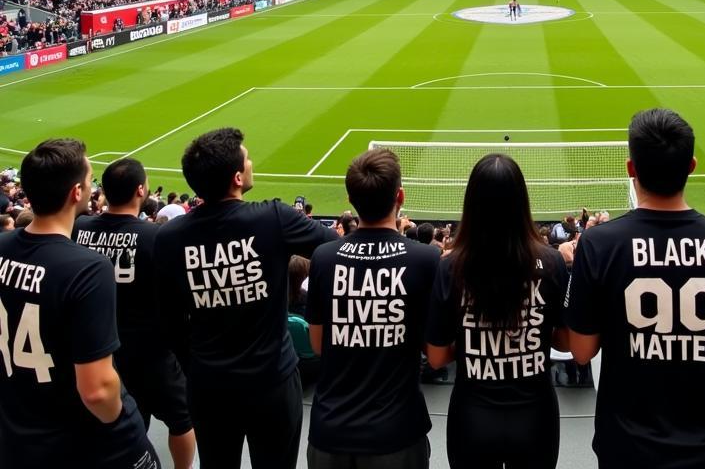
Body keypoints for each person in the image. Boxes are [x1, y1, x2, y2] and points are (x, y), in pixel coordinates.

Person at [565, 108, 705, 469]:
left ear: (630, 169)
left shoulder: (599, 244)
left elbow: (581, 351)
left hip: (626, 446)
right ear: (691, 166)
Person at [155, 127, 337, 469]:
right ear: (238, 177)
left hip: (209, 385)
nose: (252, 162)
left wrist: (196, 364)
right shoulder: (273, 218)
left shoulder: (169, 238)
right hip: (273, 381)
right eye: (248, 158)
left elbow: (169, 321)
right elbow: (334, 247)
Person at [0, 139, 159, 468]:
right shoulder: (86, 268)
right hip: (74, 443)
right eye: (89, 180)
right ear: (76, 193)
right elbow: (97, 391)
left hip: (15, 432)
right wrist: (126, 427)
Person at [426, 154, 569, 469]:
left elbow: (435, 357)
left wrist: (470, 344)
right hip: (536, 417)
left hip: (472, 417)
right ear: (522, 202)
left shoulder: (450, 266)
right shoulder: (552, 261)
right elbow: (565, 342)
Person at [306, 148, 440, 469]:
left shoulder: (324, 257)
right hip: (396, 434)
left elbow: (317, 343)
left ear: (351, 200)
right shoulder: (426, 259)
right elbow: (435, 352)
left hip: (330, 432)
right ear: (401, 196)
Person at [74, 157, 196, 469]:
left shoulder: (81, 228)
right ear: (141, 190)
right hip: (152, 351)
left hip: (97, 350)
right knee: (182, 420)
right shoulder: (157, 236)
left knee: (121, 420)